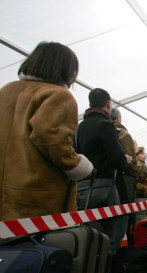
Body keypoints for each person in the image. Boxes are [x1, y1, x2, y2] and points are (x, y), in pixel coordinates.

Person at [0, 41, 93, 220]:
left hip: (5, 197)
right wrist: (77, 165)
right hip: (37, 198)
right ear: (66, 69)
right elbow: (50, 137)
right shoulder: (58, 95)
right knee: (44, 247)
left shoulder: (6, 91)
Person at [75, 88, 131, 273]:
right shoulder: (106, 125)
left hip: (84, 189)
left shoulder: (80, 127)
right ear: (108, 105)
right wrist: (125, 160)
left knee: (92, 237)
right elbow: (116, 159)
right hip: (106, 187)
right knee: (113, 235)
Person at [110, 107, 138, 203]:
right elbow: (132, 161)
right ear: (118, 118)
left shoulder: (103, 131)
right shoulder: (123, 134)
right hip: (123, 179)